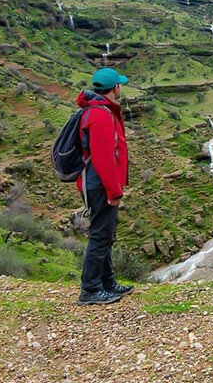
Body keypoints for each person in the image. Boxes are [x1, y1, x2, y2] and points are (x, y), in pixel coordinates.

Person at [76, 68, 132, 305]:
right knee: (100, 236)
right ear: (115, 88)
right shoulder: (101, 116)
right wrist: (114, 191)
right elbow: (103, 158)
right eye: (120, 85)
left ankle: (107, 282)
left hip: (98, 184)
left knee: (106, 235)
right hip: (100, 185)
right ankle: (90, 289)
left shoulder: (99, 111)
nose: (121, 88)